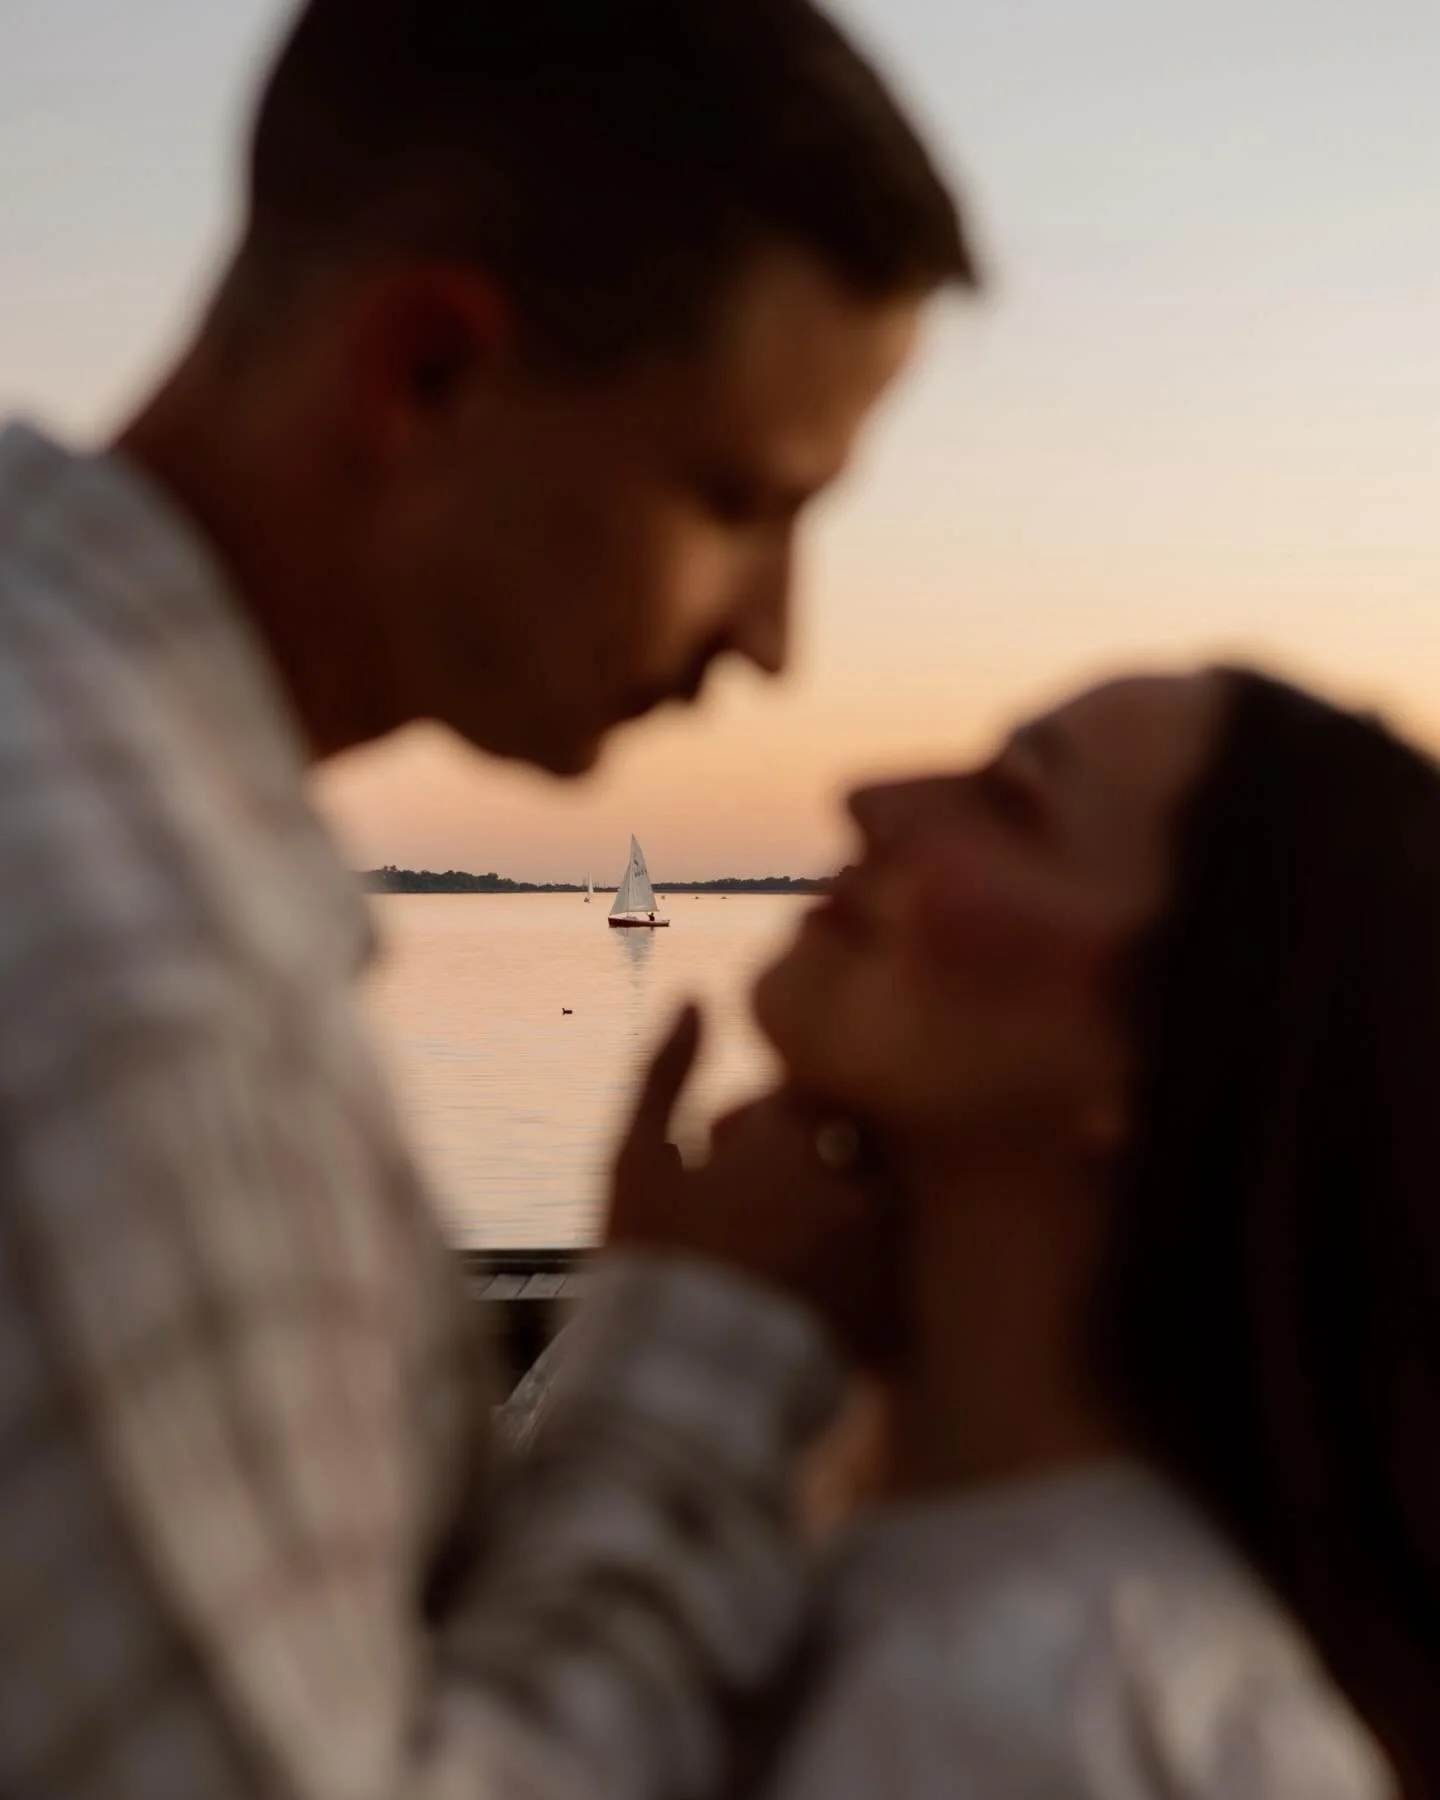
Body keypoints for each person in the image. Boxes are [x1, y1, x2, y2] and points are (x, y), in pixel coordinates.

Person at [0, 1, 976, 1794]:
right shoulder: (148, 995)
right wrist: (697, 1356)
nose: (774, 640)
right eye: (737, 500)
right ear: (427, 372)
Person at [717, 667, 1440, 1799]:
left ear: (1169, 1049)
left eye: (1012, 800)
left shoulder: (1044, 1707)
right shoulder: (912, 1566)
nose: (873, 796)